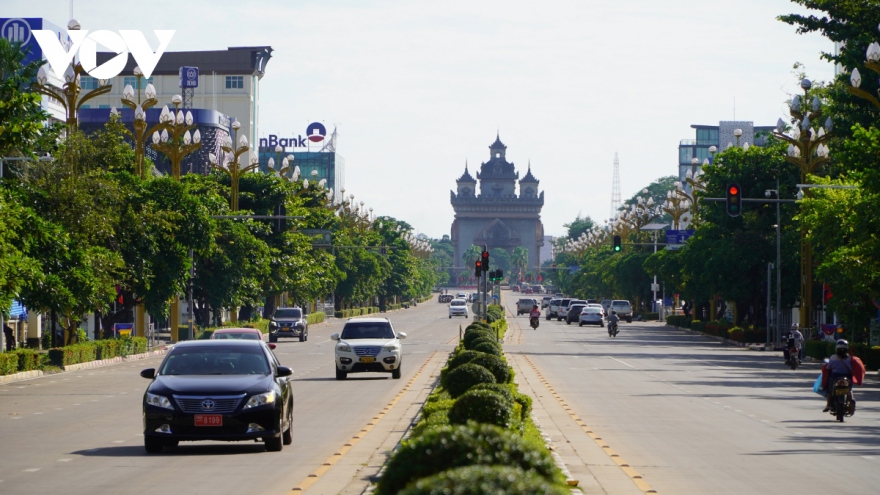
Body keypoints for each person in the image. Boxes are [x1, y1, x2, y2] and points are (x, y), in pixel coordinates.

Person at [821, 339, 866, 412]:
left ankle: (828, 405)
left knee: (830, 390)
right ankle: (851, 400)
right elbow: (852, 367)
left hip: (835, 376)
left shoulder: (833, 357)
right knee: (849, 389)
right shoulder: (850, 358)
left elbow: (828, 367)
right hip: (847, 376)